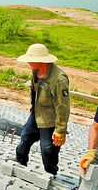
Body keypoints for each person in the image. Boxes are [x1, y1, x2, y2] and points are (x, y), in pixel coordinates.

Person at [12, 43, 70, 176]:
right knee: (25, 137)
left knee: (48, 149)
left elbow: (63, 106)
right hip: (37, 112)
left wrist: (60, 130)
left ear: (41, 60)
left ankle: (50, 173)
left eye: (30, 59)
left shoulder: (58, 79)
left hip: (50, 118)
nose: (28, 62)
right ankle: (20, 161)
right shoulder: (35, 71)